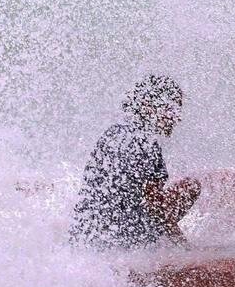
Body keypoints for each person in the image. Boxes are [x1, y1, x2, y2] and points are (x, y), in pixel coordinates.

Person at [69, 75, 201, 248]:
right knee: (191, 186)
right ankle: (141, 245)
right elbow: (156, 207)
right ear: (148, 107)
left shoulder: (114, 133)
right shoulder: (146, 144)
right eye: (172, 108)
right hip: (122, 238)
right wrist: (185, 247)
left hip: (86, 230)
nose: (177, 118)